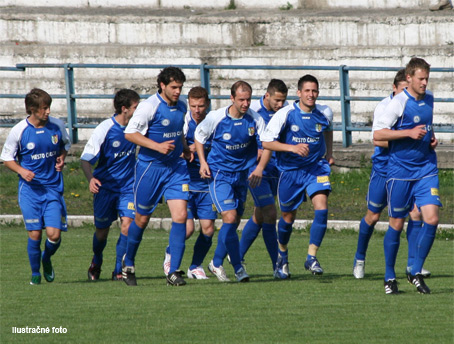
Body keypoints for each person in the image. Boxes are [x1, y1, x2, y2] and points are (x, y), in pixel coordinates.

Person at [353, 70, 431, 279]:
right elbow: (377, 139)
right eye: (402, 90)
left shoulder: (415, 103)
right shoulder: (385, 107)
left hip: (407, 170)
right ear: (395, 88)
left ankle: (413, 265)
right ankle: (360, 258)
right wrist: (407, 138)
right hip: (384, 169)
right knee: (374, 216)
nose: (405, 94)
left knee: (415, 213)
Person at [373, 57, 441, 294]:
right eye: (421, 78)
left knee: (431, 219)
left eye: (427, 79)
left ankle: (415, 270)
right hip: (400, 171)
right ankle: (389, 276)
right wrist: (408, 133)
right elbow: (378, 134)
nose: (425, 83)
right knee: (397, 223)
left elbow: (427, 127)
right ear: (409, 78)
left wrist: (430, 139)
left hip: (426, 169)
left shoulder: (430, 99)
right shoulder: (398, 103)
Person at [122, 66, 191, 287]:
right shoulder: (149, 107)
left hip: (175, 168)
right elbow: (130, 133)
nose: (178, 91)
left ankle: (173, 271)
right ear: (162, 85)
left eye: (180, 87)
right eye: (174, 87)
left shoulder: (182, 105)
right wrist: (156, 146)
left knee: (180, 216)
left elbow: (178, 130)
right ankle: (129, 263)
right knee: (141, 220)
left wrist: (185, 148)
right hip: (150, 169)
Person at [195, 80, 270, 282]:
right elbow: (199, 137)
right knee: (229, 218)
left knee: (234, 220)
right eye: (241, 100)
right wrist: (203, 162)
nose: (245, 104)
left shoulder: (255, 119)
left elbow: (267, 142)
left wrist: (260, 166)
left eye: (248, 99)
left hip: (242, 175)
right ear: (232, 98)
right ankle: (238, 267)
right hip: (220, 174)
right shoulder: (216, 117)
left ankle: (216, 262)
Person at [262, 74, 334, 278]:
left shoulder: (324, 112)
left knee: (322, 208)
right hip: (290, 172)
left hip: (316, 169)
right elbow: (267, 142)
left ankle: (311, 257)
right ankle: (282, 255)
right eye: (308, 91)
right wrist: (291, 148)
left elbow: (328, 130)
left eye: (315, 91)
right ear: (299, 93)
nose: (311, 95)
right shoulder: (285, 114)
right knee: (287, 218)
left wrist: (329, 153)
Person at [1, 88, 71, 285]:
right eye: (44, 108)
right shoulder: (19, 130)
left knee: (54, 235)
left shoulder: (57, 125)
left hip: (52, 188)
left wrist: (62, 158)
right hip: (30, 191)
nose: (48, 112)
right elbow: (6, 158)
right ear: (32, 109)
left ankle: (46, 259)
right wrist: (21, 171)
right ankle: (35, 274)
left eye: (49, 107)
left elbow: (65, 145)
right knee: (35, 233)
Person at [80, 89, 140, 281]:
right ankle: (96, 260)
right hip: (105, 187)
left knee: (127, 225)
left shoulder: (136, 127)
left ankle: (118, 270)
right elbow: (85, 159)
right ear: (124, 109)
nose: (138, 112)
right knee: (102, 231)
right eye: (135, 108)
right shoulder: (105, 129)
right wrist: (91, 179)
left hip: (128, 187)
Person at [162, 86, 217, 280]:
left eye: (201, 106)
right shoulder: (183, 123)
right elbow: (170, 150)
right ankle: (171, 252)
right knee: (188, 228)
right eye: (193, 106)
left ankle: (195, 266)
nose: (197, 110)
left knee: (208, 229)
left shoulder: (214, 122)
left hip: (207, 184)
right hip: (184, 181)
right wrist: (187, 149)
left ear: (207, 104)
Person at [238, 79, 288, 277]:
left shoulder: (284, 112)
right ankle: (278, 264)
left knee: (260, 215)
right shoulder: (253, 111)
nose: (280, 105)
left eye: (283, 101)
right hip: (257, 171)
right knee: (270, 212)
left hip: (277, 169)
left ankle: (235, 256)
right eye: (277, 101)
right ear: (267, 96)